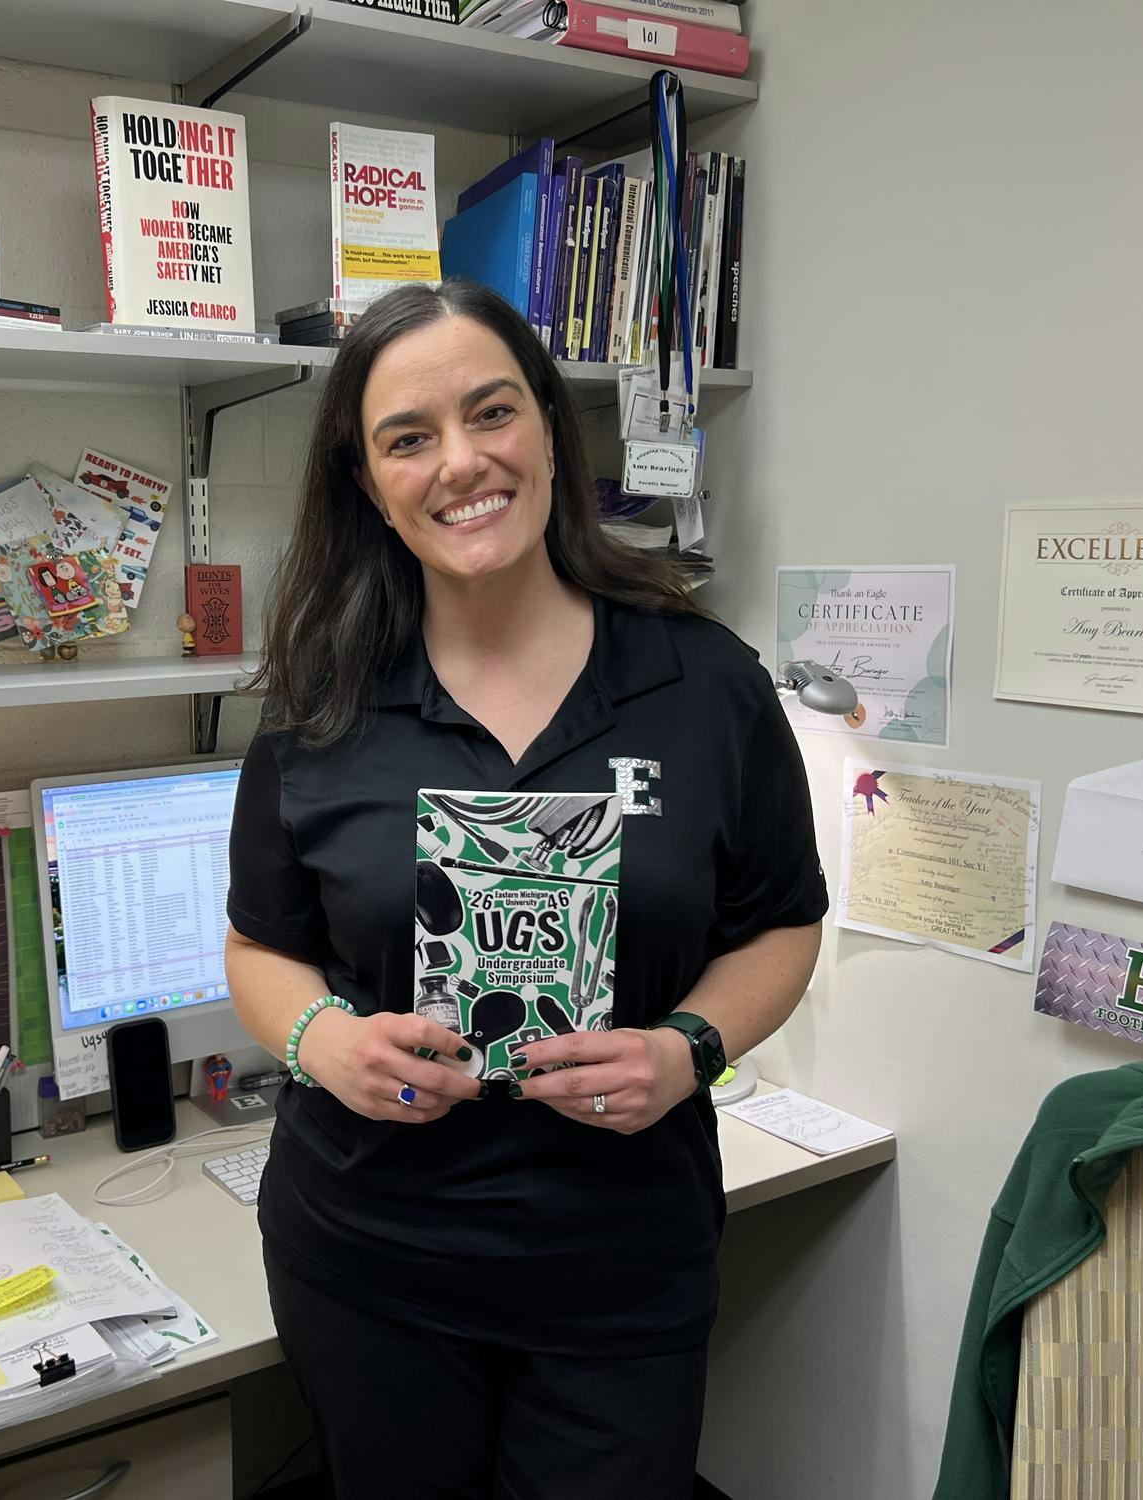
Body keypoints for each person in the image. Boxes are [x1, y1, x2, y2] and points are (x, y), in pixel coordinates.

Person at [223, 280, 828, 1498]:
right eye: (408, 437)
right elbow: (259, 945)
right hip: (367, 1259)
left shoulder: (704, 684)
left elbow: (779, 925)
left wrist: (686, 1050)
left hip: (620, 1261)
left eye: (491, 412)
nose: (461, 463)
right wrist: (323, 1041)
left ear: (550, 428)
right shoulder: (319, 709)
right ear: (367, 482)